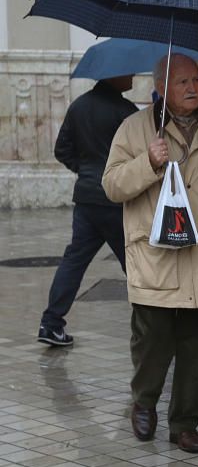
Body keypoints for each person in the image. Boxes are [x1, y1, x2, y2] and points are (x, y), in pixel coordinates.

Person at [103, 54, 198, 453]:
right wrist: (147, 162)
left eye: (196, 79)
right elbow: (112, 186)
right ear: (162, 88)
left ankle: (185, 423)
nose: (193, 88)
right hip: (155, 256)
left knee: (195, 343)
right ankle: (145, 401)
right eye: (182, 82)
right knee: (152, 337)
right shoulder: (135, 129)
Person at [37, 75, 138, 347]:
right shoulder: (126, 113)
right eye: (128, 73)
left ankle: (51, 323)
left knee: (74, 261)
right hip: (115, 202)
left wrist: (85, 172)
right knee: (137, 263)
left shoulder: (78, 106)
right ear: (114, 77)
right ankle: (155, 324)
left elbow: (62, 150)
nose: (133, 77)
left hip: (86, 200)